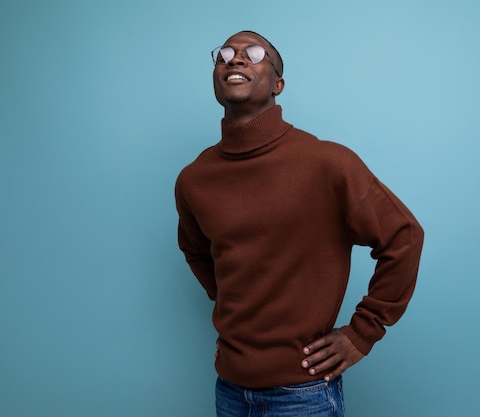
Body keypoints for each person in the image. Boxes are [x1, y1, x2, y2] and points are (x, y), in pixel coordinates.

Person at [175, 30, 424, 417]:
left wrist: (361, 334)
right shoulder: (194, 179)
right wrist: (236, 310)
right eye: (224, 54)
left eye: (253, 53)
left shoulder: (328, 164)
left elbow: (404, 237)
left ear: (278, 84)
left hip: (301, 396)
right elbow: (196, 251)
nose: (234, 59)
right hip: (229, 389)